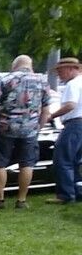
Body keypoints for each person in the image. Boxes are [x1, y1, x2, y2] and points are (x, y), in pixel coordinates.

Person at [0, 55, 53, 209]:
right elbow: (46, 110)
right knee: (27, 164)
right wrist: (38, 128)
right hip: (29, 130)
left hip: (5, 128)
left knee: (0, 163)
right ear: (31, 65)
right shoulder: (43, 82)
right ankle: (21, 200)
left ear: (14, 65)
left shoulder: (5, 80)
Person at [51, 56, 82, 204]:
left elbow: (70, 105)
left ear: (70, 69)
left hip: (75, 123)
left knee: (62, 158)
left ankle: (66, 194)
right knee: (76, 160)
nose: (59, 74)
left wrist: (53, 115)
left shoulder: (73, 85)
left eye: (60, 71)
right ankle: (77, 190)